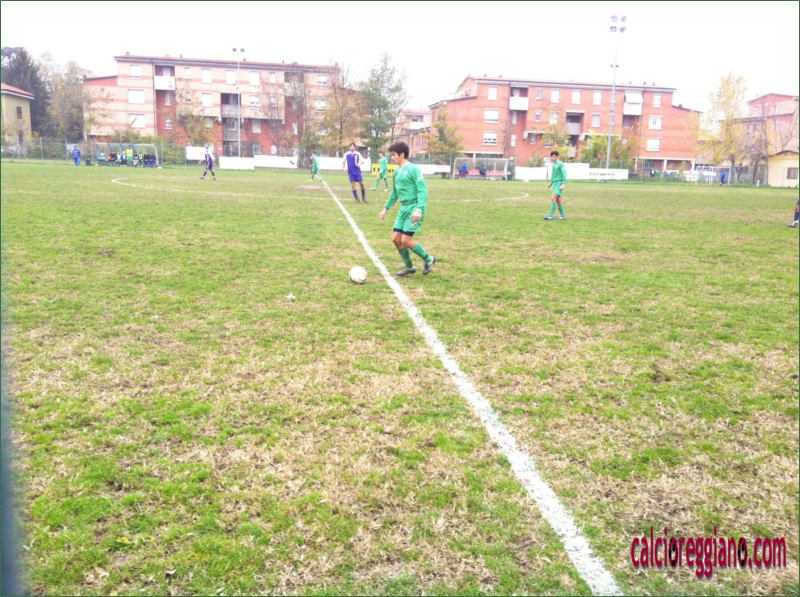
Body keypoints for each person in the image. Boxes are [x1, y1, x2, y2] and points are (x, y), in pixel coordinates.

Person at [379, 141, 436, 277]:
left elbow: (422, 190)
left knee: (406, 240)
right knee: (396, 239)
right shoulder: (396, 172)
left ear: (402, 154)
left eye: (394, 155)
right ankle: (409, 267)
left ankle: (429, 259)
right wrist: (385, 208)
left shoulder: (413, 169)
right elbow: (395, 192)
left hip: (414, 207)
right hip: (403, 208)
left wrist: (419, 209)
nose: (392, 157)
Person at [544, 150, 567, 220]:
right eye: (551, 156)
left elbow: (564, 174)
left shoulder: (561, 164)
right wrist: (551, 183)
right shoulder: (553, 165)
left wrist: (563, 184)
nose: (552, 158)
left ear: (557, 157)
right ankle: (563, 215)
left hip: (559, 183)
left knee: (553, 198)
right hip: (555, 184)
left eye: (554, 156)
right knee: (558, 200)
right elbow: (553, 174)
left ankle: (551, 215)